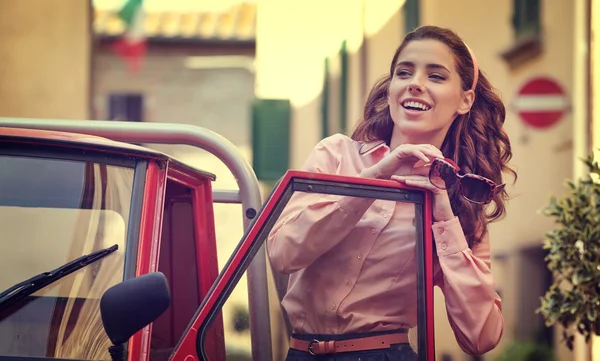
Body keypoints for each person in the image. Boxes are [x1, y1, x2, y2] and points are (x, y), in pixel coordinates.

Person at [267, 25, 515, 361]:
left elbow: (481, 336)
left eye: (437, 76)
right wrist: (374, 179)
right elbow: (283, 254)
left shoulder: (461, 208)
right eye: (404, 72)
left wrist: (444, 218)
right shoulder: (336, 155)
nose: (415, 83)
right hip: (300, 354)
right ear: (391, 90)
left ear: (464, 100)